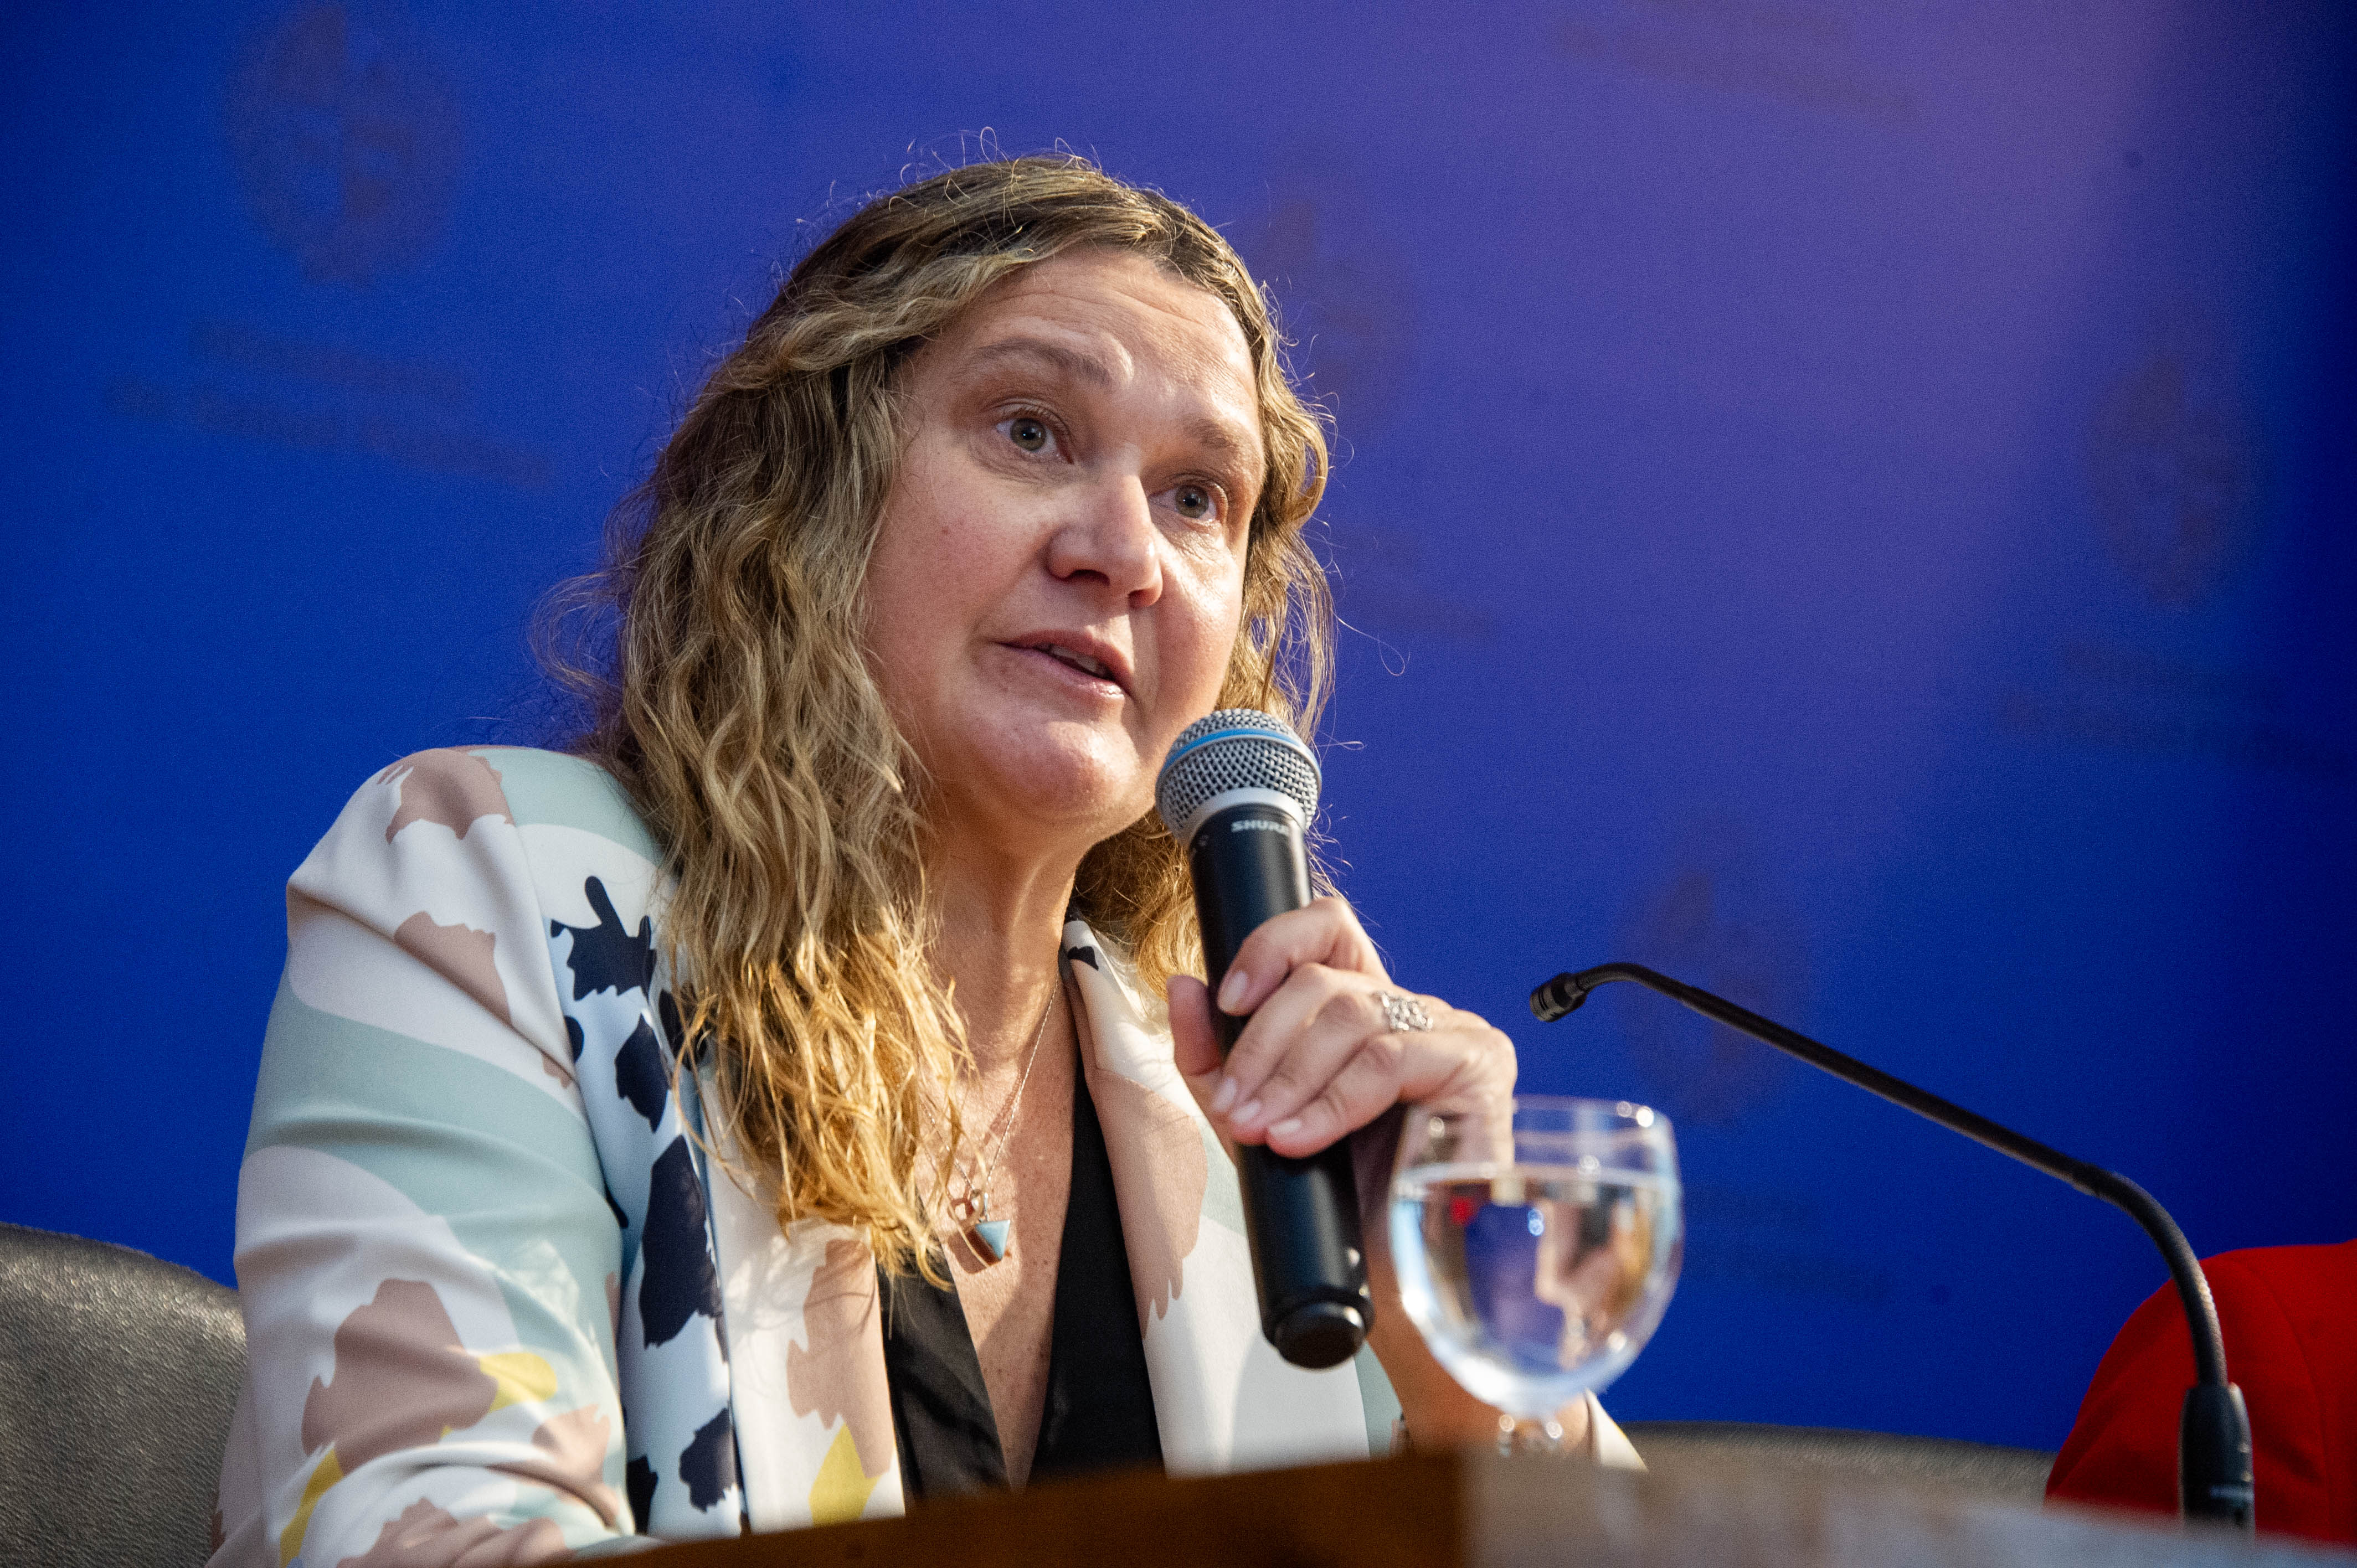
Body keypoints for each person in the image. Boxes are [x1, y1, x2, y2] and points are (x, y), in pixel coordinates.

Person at [207, 156, 1640, 1567]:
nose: (1124, 551)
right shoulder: (493, 889)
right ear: (819, 488)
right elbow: (418, 1539)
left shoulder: (1255, 1124)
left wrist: (1474, 1372)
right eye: (1031, 431)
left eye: (1202, 496)